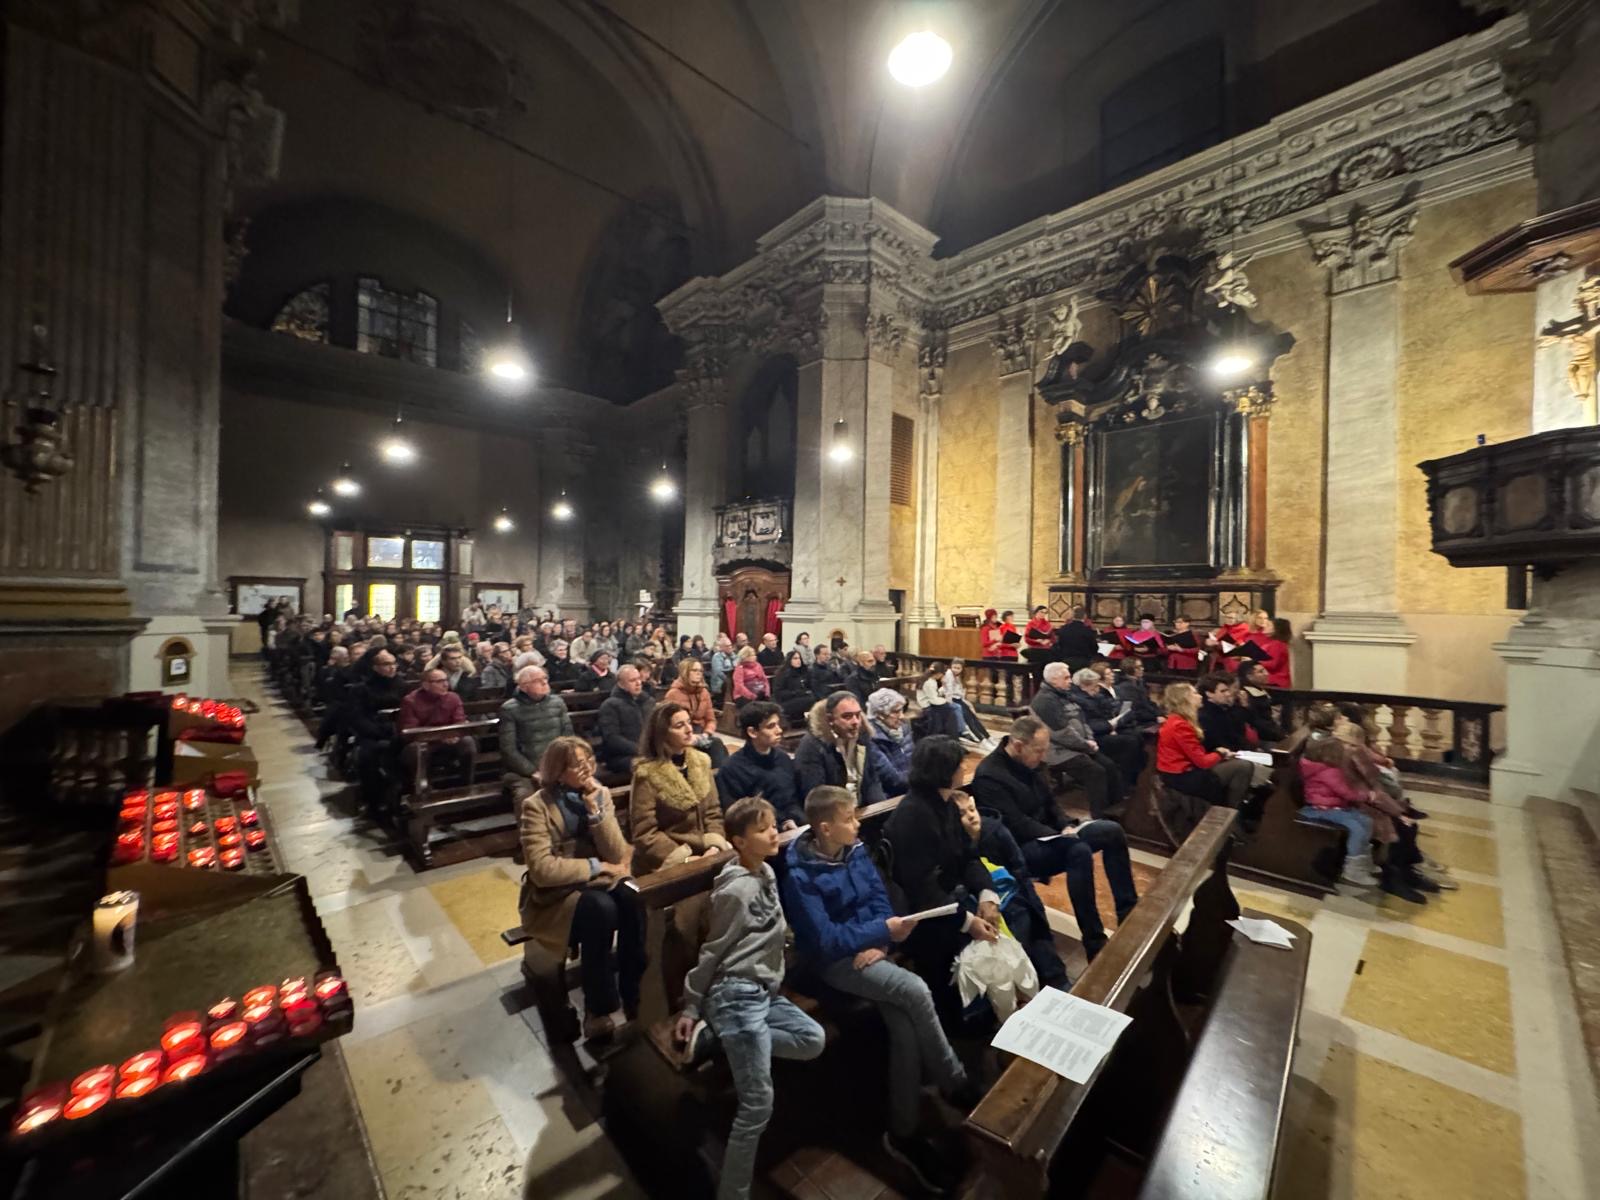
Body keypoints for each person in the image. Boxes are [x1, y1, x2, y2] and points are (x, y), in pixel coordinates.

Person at [781, 787, 976, 1192]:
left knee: (904, 1023)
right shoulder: (800, 875)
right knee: (916, 990)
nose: (857, 823)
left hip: (870, 949)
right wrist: (874, 934)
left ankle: (902, 1133)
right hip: (834, 964)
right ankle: (953, 1079)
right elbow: (823, 940)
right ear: (825, 827)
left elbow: (878, 899)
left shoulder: (854, 851)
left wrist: (882, 941)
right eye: (849, 819)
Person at [674, 797, 825, 1200]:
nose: (774, 832)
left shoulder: (767, 875)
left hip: (765, 991)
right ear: (739, 842)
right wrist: (691, 1003)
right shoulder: (736, 892)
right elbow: (713, 951)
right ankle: (733, 1193)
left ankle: (718, 1037)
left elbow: (776, 932)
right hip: (735, 992)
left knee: (813, 1041)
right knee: (757, 1104)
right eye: (763, 829)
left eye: (773, 824)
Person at [965, 715, 1139, 960]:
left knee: (1111, 832)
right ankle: (1094, 941)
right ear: (1017, 746)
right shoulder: (989, 774)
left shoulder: (1030, 763)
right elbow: (1017, 824)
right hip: (1020, 848)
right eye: (1039, 751)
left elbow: (1050, 802)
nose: (1043, 756)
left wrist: (1066, 825)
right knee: (1076, 851)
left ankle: (1129, 912)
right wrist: (1059, 836)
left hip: (1051, 836)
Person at [519, 736, 642, 1040]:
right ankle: (598, 1009)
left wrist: (597, 813)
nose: (588, 768)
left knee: (633, 898)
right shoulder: (536, 806)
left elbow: (617, 853)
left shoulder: (599, 793)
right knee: (600, 910)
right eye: (577, 764)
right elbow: (543, 870)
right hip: (556, 896)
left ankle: (634, 989)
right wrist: (594, 867)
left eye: (589, 760)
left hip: (597, 885)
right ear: (558, 771)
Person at [881, 736, 1001, 1015]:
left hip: (949, 899)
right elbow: (921, 887)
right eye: (960, 765)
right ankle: (965, 1017)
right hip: (923, 915)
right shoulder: (913, 815)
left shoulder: (944, 803)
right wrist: (967, 921)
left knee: (1005, 909)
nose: (963, 770)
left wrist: (987, 893)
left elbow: (967, 855)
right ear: (943, 771)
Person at [952, 789, 1070, 992]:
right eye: (962, 814)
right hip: (979, 907)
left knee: (1030, 925)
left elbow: (1018, 865)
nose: (971, 815)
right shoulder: (952, 845)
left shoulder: (995, 830)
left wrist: (1019, 892)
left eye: (972, 809)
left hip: (1013, 895)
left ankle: (1056, 980)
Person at [629, 702, 729, 874]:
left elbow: (713, 812)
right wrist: (684, 859)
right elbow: (645, 833)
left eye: (689, 722)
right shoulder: (647, 773)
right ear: (662, 733)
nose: (689, 729)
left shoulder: (701, 761)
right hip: (665, 861)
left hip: (707, 851)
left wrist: (714, 846)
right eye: (679, 725)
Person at [1154, 682, 1254, 838]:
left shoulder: (1179, 720)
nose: (1199, 696)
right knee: (1243, 767)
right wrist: (1220, 753)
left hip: (1184, 770)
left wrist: (1220, 754)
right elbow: (1202, 762)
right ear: (1185, 700)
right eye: (1194, 693)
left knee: (1239, 766)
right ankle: (1228, 814)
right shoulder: (1180, 725)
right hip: (1181, 776)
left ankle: (1230, 814)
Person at [1029, 662, 1126, 819]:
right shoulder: (1045, 700)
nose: (1070, 681)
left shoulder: (1065, 695)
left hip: (1079, 746)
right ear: (1054, 679)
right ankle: (1100, 816)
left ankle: (1116, 808)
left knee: (1110, 766)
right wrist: (1086, 745)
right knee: (1096, 772)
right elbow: (1062, 734)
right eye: (1066, 678)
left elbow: (1082, 721)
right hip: (1058, 751)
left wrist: (1089, 739)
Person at [1297, 734, 1379, 888]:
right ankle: (1353, 870)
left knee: (1366, 821)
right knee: (1357, 828)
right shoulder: (1328, 771)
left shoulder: (1322, 767)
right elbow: (1346, 793)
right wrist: (1366, 796)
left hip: (1333, 806)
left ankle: (1363, 862)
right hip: (1321, 810)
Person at [499, 666, 576, 814]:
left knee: (587, 783)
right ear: (523, 686)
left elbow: (569, 737)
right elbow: (509, 750)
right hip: (524, 771)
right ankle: (530, 835)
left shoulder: (557, 702)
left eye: (545, 679)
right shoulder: (509, 709)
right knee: (525, 797)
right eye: (538, 680)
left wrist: (563, 763)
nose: (544, 683)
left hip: (556, 764)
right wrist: (533, 771)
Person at [716, 700, 803, 830]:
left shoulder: (783, 758)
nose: (779, 730)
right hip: (760, 831)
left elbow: (793, 798)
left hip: (794, 825)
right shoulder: (732, 769)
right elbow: (738, 816)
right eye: (770, 726)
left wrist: (793, 819)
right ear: (752, 732)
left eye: (778, 724)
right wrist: (780, 824)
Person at [795, 691, 886, 807]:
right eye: (847, 716)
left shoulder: (862, 737)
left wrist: (881, 810)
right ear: (830, 719)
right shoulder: (812, 746)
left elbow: (872, 781)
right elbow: (817, 796)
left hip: (864, 810)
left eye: (858, 715)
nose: (855, 722)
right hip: (834, 815)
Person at [1066, 666, 1146, 787]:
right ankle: (1125, 781)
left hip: (1106, 727)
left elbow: (1109, 705)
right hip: (1095, 736)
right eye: (1094, 686)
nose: (1097, 689)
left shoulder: (1093, 694)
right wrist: (1109, 726)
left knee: (1137, 735)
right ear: (1084, 686)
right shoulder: (1078, 699)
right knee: (1130, 742)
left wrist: (1117, 715)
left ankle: (1136, 777)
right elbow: (1086, 724)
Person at [398, 668, 478, 781]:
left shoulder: (453, 697)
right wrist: (440, 737)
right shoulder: (410, 701)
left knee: (468, 742)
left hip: (449, 740)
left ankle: (467, 784)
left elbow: (459, 721)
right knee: (414, 750)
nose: (445, 684)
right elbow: (410, 731)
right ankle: (422, 789)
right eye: (439, 681)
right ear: (426, 685)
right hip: (425, 742)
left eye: (446, 680)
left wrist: (456, 734)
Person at [664, 657, 729, 767]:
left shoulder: (704, 692)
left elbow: (711, 720)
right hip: (682, 737)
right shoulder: (673, 694)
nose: (699, 674)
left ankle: (720, 777)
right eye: (694, 670)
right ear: (685, 672)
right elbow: (668, 726)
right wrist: (690, 737)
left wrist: (706, 734)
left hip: (701, 735)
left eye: (700, 671)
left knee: (717, 745)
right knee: (716, 745)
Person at [596, 664, 654, 776]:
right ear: (621, 684)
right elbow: (612, 738)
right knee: (650, 766)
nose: (638, 683)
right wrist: (640, 750)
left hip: (649, 752)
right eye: (632, 680)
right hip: (621, 756)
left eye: (639, 679)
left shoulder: (648, 701)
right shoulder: (610, 705)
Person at [865, 687, 914, 797]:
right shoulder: (872, 738)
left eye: (902, 710)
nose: (902, 716)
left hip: (912, 788)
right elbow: (892, 779)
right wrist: (921, 779)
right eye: (896, 712)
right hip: (891, 796)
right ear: (879, 715)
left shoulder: (904, 728)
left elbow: (915, 761)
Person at [942, 659, 993, 745]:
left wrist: (968, 704)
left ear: (962, 669)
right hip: (952, 699)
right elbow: (949, 691)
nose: (956, 670)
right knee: (969, 720)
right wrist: (950, 704)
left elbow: (961, 692)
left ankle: (987, 736)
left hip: (959, 699)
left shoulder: (959, 676)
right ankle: (981, 739)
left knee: (974, 718)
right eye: (954, 667)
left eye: (958, 668)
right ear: (951, 666)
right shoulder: (949, 674)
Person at [1236, 662, 1286, 743]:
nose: (1266, 674)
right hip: (1262, 738)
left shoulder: (1260, 690)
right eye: (1261, 672)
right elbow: (1258, 722)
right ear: (1249, 676)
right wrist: (1280, 735)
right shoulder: (1246, 695)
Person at [1112, 656, 1162, 735]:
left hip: (1148, 717)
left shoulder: (1140, 682)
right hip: (1138, 722)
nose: (1142, 669)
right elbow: (1133, 711)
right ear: (1130, 669)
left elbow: (1148, 703)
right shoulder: (1125, 687)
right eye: (1138, 667)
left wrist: (1159, 713)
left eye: (1141, 666)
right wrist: (1155, 717)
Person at [1246, 612, 1293, 688]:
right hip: (1270, 680)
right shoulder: (1272, 643)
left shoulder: (1278, 644)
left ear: (1275, 629)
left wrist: (1252, 659)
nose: (1264, 626)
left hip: (1276, 682)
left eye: (1268, 625)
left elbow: (1272, 664)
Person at [916, 662, 961, 739]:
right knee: (951, 711)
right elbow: (933, 699)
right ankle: (953, 736)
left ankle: (951, 735)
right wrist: (945, 700)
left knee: (951, 709)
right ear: (939, 673)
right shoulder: (929, 682)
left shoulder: (930, 680)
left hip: (931, 703)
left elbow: (934, 695)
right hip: (928, 706)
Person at [772, 650, 815, 721]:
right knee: (809, 700)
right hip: (786, 701)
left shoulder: (803, 672)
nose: (798, 661)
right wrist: (796, 693)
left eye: (799, 658)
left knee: (813, 698)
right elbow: (779, 693)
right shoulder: (783, 674)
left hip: (800, 698)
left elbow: (809, 686)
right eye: (795, 658)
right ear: (789, 660)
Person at [1055, 607, 1099, 672]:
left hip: (1066, 660)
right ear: (1085, 616)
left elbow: (1058, 645)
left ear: (1072, 616)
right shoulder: (1087, 631)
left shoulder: (1063, 629)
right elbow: (1094, 648)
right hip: (1084, 662)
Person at [708, 634, 735, 699]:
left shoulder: (733, 655)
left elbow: (737, 667)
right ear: (722, 647)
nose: (730, 647)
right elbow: (719, 672)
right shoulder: (717, 657)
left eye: (731, 645)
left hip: (732, 682)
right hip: (720, 684)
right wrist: (730, 680)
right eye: (727, 646)